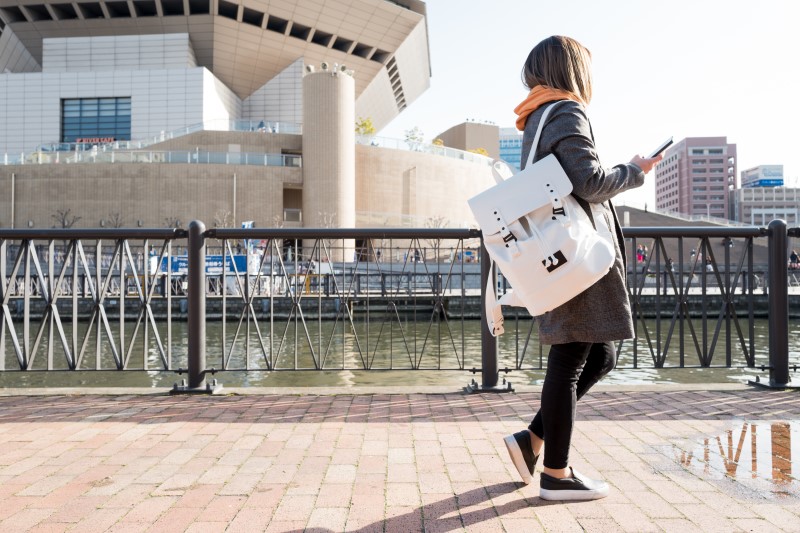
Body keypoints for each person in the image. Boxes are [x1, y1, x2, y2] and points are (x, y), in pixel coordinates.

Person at [503, 35, 662, 501]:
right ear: (572, 69)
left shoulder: (535, 116)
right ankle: (556, 473)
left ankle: (531, 441)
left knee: (600, 355)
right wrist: (633, 171)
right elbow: (590, 184)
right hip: (576, 256)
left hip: (563, 254)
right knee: (572, 358)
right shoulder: (566, 111)